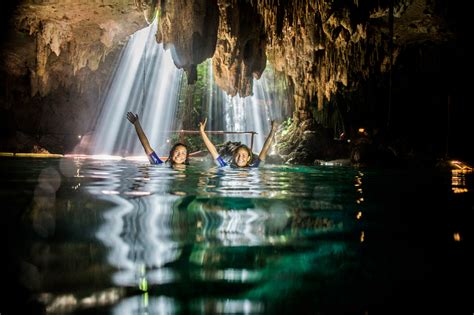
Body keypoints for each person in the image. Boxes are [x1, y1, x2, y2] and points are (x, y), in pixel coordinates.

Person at [199, 118, 278, 168]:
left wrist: (273, 131)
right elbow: (213, 151)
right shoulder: (225, 166)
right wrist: (202, 132)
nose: (240, 158)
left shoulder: (255, 167)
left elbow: (264, 149)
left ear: (248, 158)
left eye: (244, 155)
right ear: (234, 155)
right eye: (238, 155)